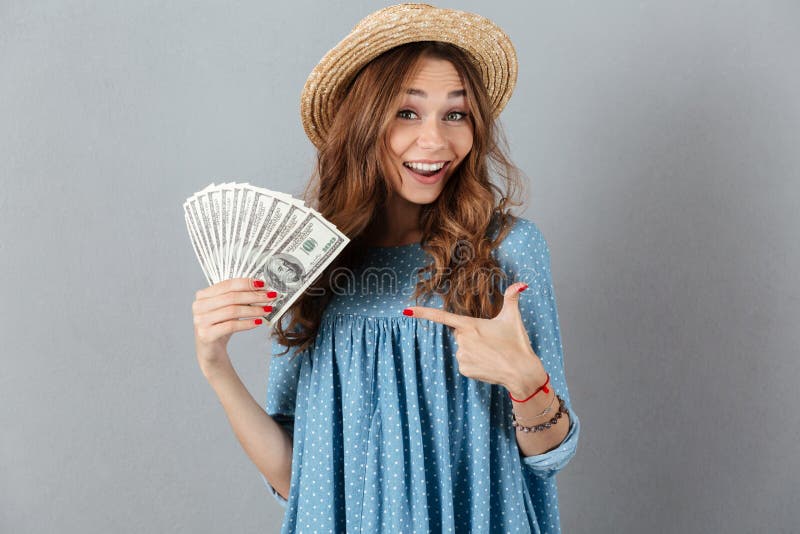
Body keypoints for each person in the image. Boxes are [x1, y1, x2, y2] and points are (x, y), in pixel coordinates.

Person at [191, 4, 580, 533]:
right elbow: (296, 478)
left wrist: (527, 382)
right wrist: (215, 364)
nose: (435, 141)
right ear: (363, 122)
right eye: (407, 112)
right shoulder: (312, 259)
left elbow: (550, 454)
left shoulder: (508, 249)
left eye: (456, 114)